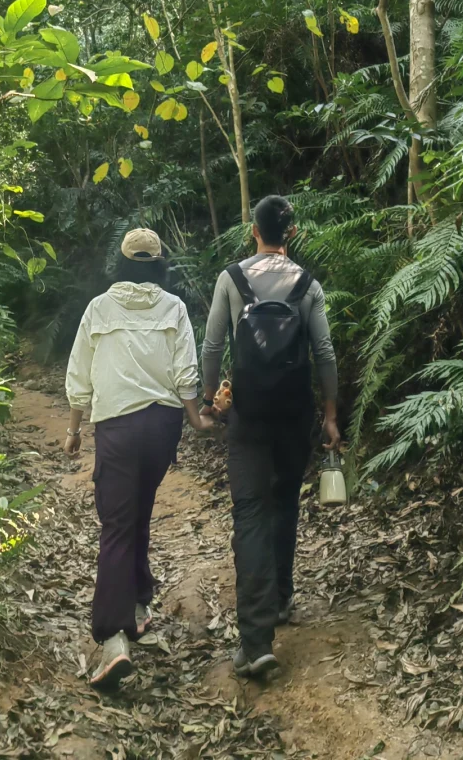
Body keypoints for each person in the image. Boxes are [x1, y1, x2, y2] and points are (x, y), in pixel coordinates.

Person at [65, 227, 214, 689]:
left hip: (118, 427)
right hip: (161, 427)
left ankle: (113, 641)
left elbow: (79, 372)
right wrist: (196, 418)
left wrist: (74, 428)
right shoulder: (174, 307)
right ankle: (140, 600)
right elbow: (186, 371)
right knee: (138, 510)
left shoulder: (99, 308)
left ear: (123, 263)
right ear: (159, 264)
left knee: (117, 524)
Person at [201, 194, 340, 679]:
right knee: (284, 503)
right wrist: (329, 415)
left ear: (252, 232)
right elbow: (324, 353)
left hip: (250, 415)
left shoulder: (231, 279)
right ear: (293, 233)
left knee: (251, 513)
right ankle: (281, 599)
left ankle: (257, 640)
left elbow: (213, 343)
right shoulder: (308, 285)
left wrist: (209, 399)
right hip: (294, 413)